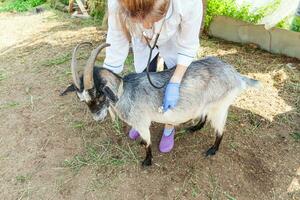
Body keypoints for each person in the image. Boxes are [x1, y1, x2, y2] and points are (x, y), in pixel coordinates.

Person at [103, 0, 203, 152]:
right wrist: (106, 82)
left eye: (153, 19)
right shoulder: (116, 3)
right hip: (143, 44)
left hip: (174, 42)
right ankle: (142, 120)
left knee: (171, 83)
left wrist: (175, 82)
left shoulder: (188, 3)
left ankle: (169, 126)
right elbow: (116, 44)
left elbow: (188, 45)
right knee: (143, 81)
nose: (148, 26)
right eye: (138, 19)